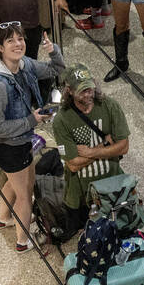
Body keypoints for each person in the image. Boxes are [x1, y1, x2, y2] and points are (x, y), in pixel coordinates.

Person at [0, 23, 64, 255]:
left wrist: (53, 50)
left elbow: (56, 69)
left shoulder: (25, 65)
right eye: (10, 41)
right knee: (25, 193)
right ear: (0, 47)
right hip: (10, 147)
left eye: (20, 39)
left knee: (15, 182)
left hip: (21, 142)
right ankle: (22, 241)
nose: (18, 44)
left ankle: (3, 218)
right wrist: (31, 120)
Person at [52, 63, 131, 234]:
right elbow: (73, 164)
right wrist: (107, 146)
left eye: (90, 88)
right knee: (84, 232)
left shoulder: (110, 106)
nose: (88, 93)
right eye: (82, 90)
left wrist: (90, 152)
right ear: (70, 91)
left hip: (112, 183)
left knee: (117, 228)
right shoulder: (61, 120)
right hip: (80, 193)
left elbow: (123, 147)